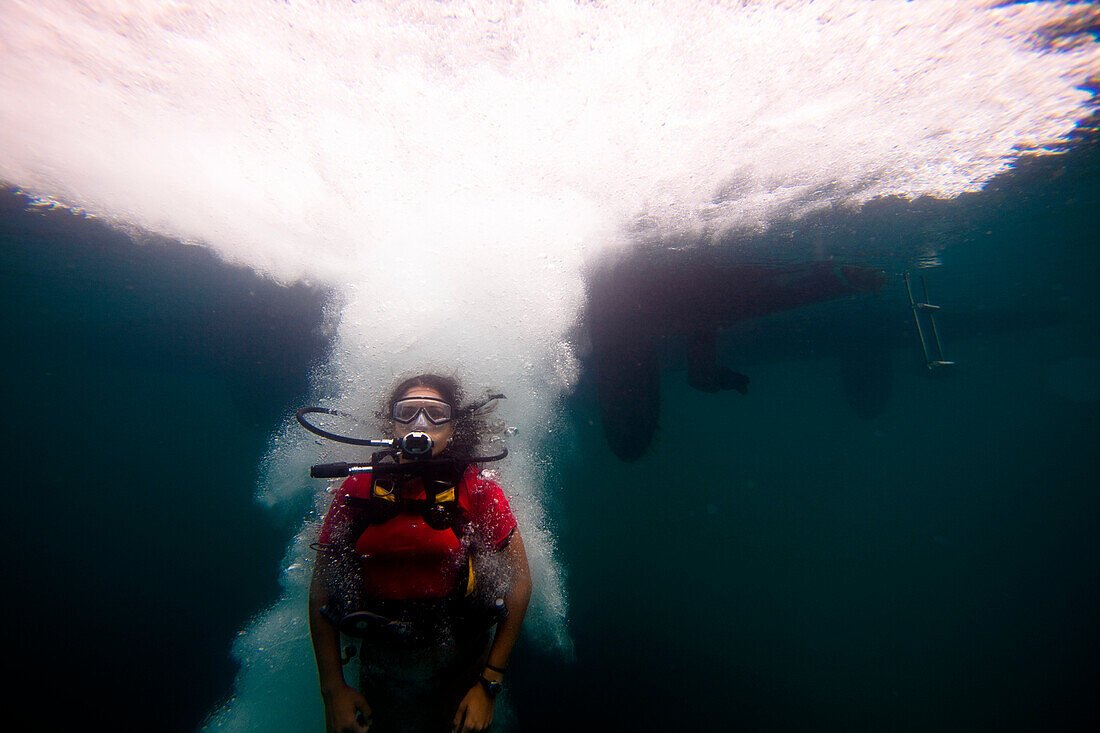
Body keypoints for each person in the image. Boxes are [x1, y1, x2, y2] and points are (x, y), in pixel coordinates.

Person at [309, 374, 532, 733]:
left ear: (453, 427)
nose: (421, 423)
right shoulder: (356, 487)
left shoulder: (478, 489)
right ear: (392, 424)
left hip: (461, 666)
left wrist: (489, 685)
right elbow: (321, 590)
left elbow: (519, 583)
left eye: (435, 414)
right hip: (381, 669)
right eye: (408, 412)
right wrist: (333, 690)